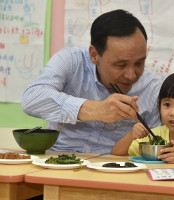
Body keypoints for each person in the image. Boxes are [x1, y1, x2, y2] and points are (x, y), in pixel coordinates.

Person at [21, 9, 163, 155]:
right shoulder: (71, 61)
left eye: (139, 63)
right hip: (58, 159)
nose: (131, 75)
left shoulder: (153, 89)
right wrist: (94, 109)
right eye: (120, 65)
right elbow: (31, 98)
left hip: (111, 167)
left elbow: (155, 146)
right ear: (94, 55)